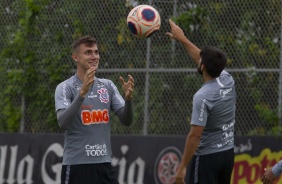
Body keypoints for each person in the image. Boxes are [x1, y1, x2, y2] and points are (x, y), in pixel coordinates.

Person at [54, 35, 134, 184]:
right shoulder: (65, 87)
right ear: (75, 57)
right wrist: (82, 93)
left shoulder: (107, 86)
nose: (94, 56)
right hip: (77, 165)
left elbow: (127, 120)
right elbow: (63, 122)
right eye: (88, 52)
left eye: (96, 52)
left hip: (104, 164)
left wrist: (128, 99)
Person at [166, 19, 236, 184]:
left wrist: (182, 168)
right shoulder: (228, 79)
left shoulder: (202, 96)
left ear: (202, 66)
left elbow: (195, 136)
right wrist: (182, 38)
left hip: (207, 158)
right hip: (227, 155)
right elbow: (204, 59)